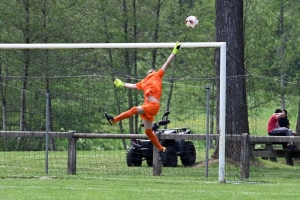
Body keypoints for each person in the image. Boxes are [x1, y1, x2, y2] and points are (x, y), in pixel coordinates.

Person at [104, 41, 181, 154]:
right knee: (148, 132)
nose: (151, 70)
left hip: (153, 106)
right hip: (147, 106)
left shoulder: (158, 75)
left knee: (134, 109)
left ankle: (114, 120)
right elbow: (134, 86)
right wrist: (123, 84)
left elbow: (167, 62)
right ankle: (161, 149)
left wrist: (174, 51)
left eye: (152, 70)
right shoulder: (144, 81)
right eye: (149, 71)